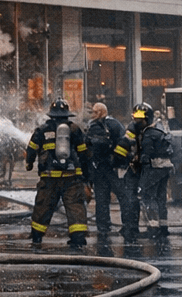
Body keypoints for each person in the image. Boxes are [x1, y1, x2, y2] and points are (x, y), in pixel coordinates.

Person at [24, 99, 91, 248]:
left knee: (43, 206)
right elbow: (83, 154)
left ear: (51, 114)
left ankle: (37, 237)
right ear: (67, 114)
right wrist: (86, 177)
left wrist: (28, 164)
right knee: (76, 207)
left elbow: (31, 150)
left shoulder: (42, 130)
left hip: (49, 178)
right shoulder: (74, 129)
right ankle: (78, 239)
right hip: (72, 177)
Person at [115, 102, 174, 238]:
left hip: (152, 169)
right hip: (164, 168)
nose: (137, 120)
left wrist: (131, 162)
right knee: (160, 198)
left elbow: (145, 155)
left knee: (148, 197)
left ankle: (153, 229)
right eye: (136, 116)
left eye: (140, 117)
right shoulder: (160, 127)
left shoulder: (146, 133)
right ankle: (163, 227)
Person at [83, 103, 124, 236]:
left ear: (101, 112)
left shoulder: (92, 126)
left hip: (102, 168)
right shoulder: (115, 125)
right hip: (110, 168)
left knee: (103, 198)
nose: (93, 115)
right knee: (120, 197)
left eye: (95, 112)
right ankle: (127, 226)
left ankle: (103, 227)